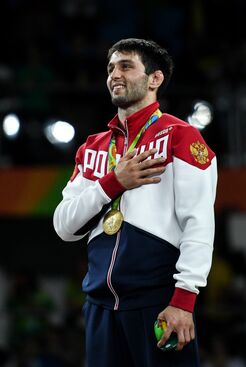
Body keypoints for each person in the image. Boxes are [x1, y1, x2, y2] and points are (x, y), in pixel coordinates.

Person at [53, 38, 218, 366]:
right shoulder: (93, 148)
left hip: (158, 303)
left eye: (126, 66)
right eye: (111, 68)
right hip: (99, 308)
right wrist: (114, 182)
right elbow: (64, 225)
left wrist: (184, 300)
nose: (115, 74)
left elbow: (198, 222)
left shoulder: (180, 137)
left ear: (154, 79)